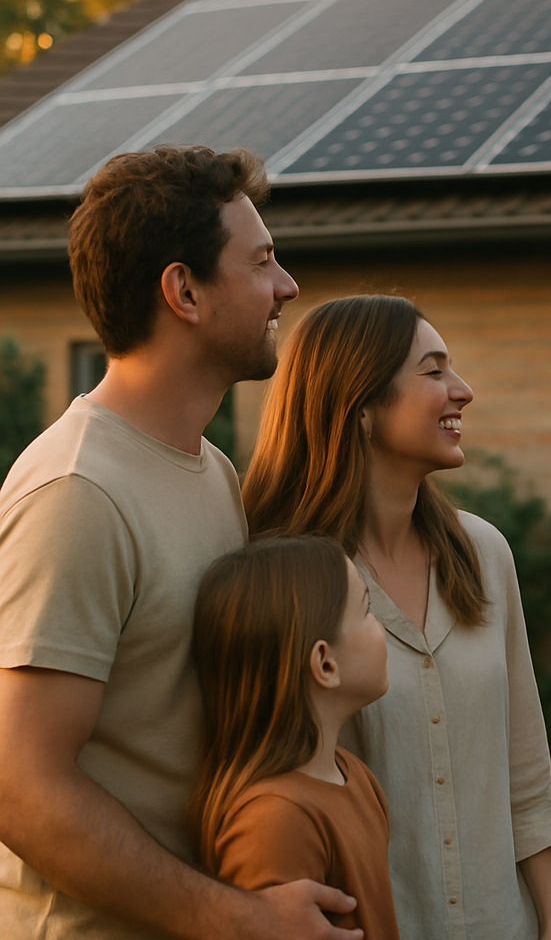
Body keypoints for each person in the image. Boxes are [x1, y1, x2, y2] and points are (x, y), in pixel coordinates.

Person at [0, 146, 362, 940]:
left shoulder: (213, 473)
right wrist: (239, 919)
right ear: (184, 291)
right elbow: (22, 787)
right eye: (263, 261)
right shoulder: (77, 493)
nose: (288, 286)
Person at [242, 295, 551, 940]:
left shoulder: (484, 556)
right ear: (361, 406)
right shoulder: (283, 580)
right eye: (433, 371)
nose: (463, 391)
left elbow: (526, 775)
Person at [188, 535, 399, 940]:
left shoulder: (352, 775)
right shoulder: (274, 823)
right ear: (325, 663)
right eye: (367, 610)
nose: (381, 626)